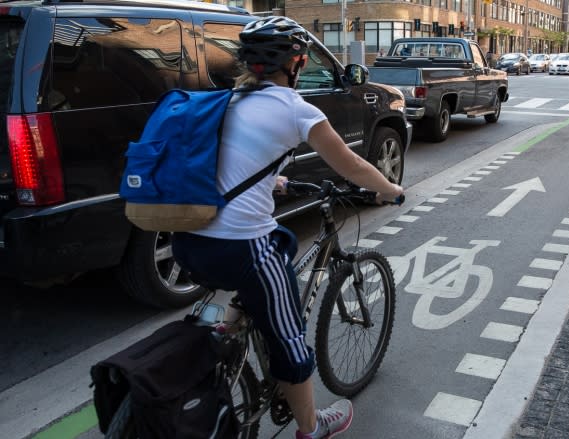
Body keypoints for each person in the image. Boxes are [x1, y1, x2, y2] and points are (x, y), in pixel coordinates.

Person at [170, 16, 403, 439]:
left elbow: (227, 161)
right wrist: (389, 189)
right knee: (291, 341)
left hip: (188, 243)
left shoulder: (229, 100)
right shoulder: (296, 109)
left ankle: (231, 327)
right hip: (241, 251)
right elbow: (349, 164)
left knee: (282, 240)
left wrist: (271, 179)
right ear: (294, 63)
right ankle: (311, 427)